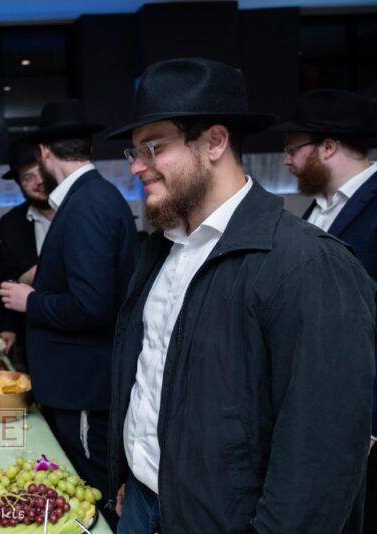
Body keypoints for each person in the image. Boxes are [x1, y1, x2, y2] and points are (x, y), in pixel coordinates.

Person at [106, 58, 375, 534]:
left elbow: (319, 459)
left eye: (154, 147)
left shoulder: (308, 265)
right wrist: (132, 474)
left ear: (214, 142)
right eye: (135, 151)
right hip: (144, 504)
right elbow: (149, 380)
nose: (137, 166)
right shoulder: (160, 250)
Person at [0, 100, 137, 497]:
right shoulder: (88, 197)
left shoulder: (87, 203)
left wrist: (30, 301)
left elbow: (92, 305)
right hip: (79, 384)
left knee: (92, 491)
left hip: (85, 388)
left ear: (44, 152)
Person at [275, 88, 377, 534]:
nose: (286, 161)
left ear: (329, 147)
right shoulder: (316, 209)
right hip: (316, 409)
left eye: (293, 149)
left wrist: (371, 420)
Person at [0, 141, 54, 368]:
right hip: (32, 330)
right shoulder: (11, 223)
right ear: (19, 184)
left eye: (41, 172)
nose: (39, 181)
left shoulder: (76, 210)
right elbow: (5, 277)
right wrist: (7, 327)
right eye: (28, 177)